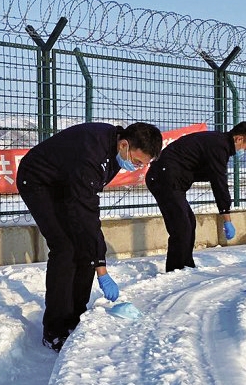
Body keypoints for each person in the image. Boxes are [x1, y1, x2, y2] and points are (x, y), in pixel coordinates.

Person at [17, 121, 163, 351]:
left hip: (66, 184)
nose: (136, 168)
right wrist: (102, 269)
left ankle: (75, 316)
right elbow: (86, 213)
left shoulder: (114, 151)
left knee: (84, 244)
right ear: (125, 144)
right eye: (136, 162)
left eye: (142, 165)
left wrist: (96, 257)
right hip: (38, 181)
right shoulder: (92, 153)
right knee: (64, 248)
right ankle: (54, 330)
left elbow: (85, 208)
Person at [146, 122, 246, 273]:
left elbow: (212, 175)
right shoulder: (219, 146)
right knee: (181, 227)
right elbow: (219, 182)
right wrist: (227, 217)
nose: (244, 150)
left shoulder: (218, 142)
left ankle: (186, 266)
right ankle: (177, 270)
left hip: (169, 180)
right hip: (163, 179)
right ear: (239, 139)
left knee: (189, 223)